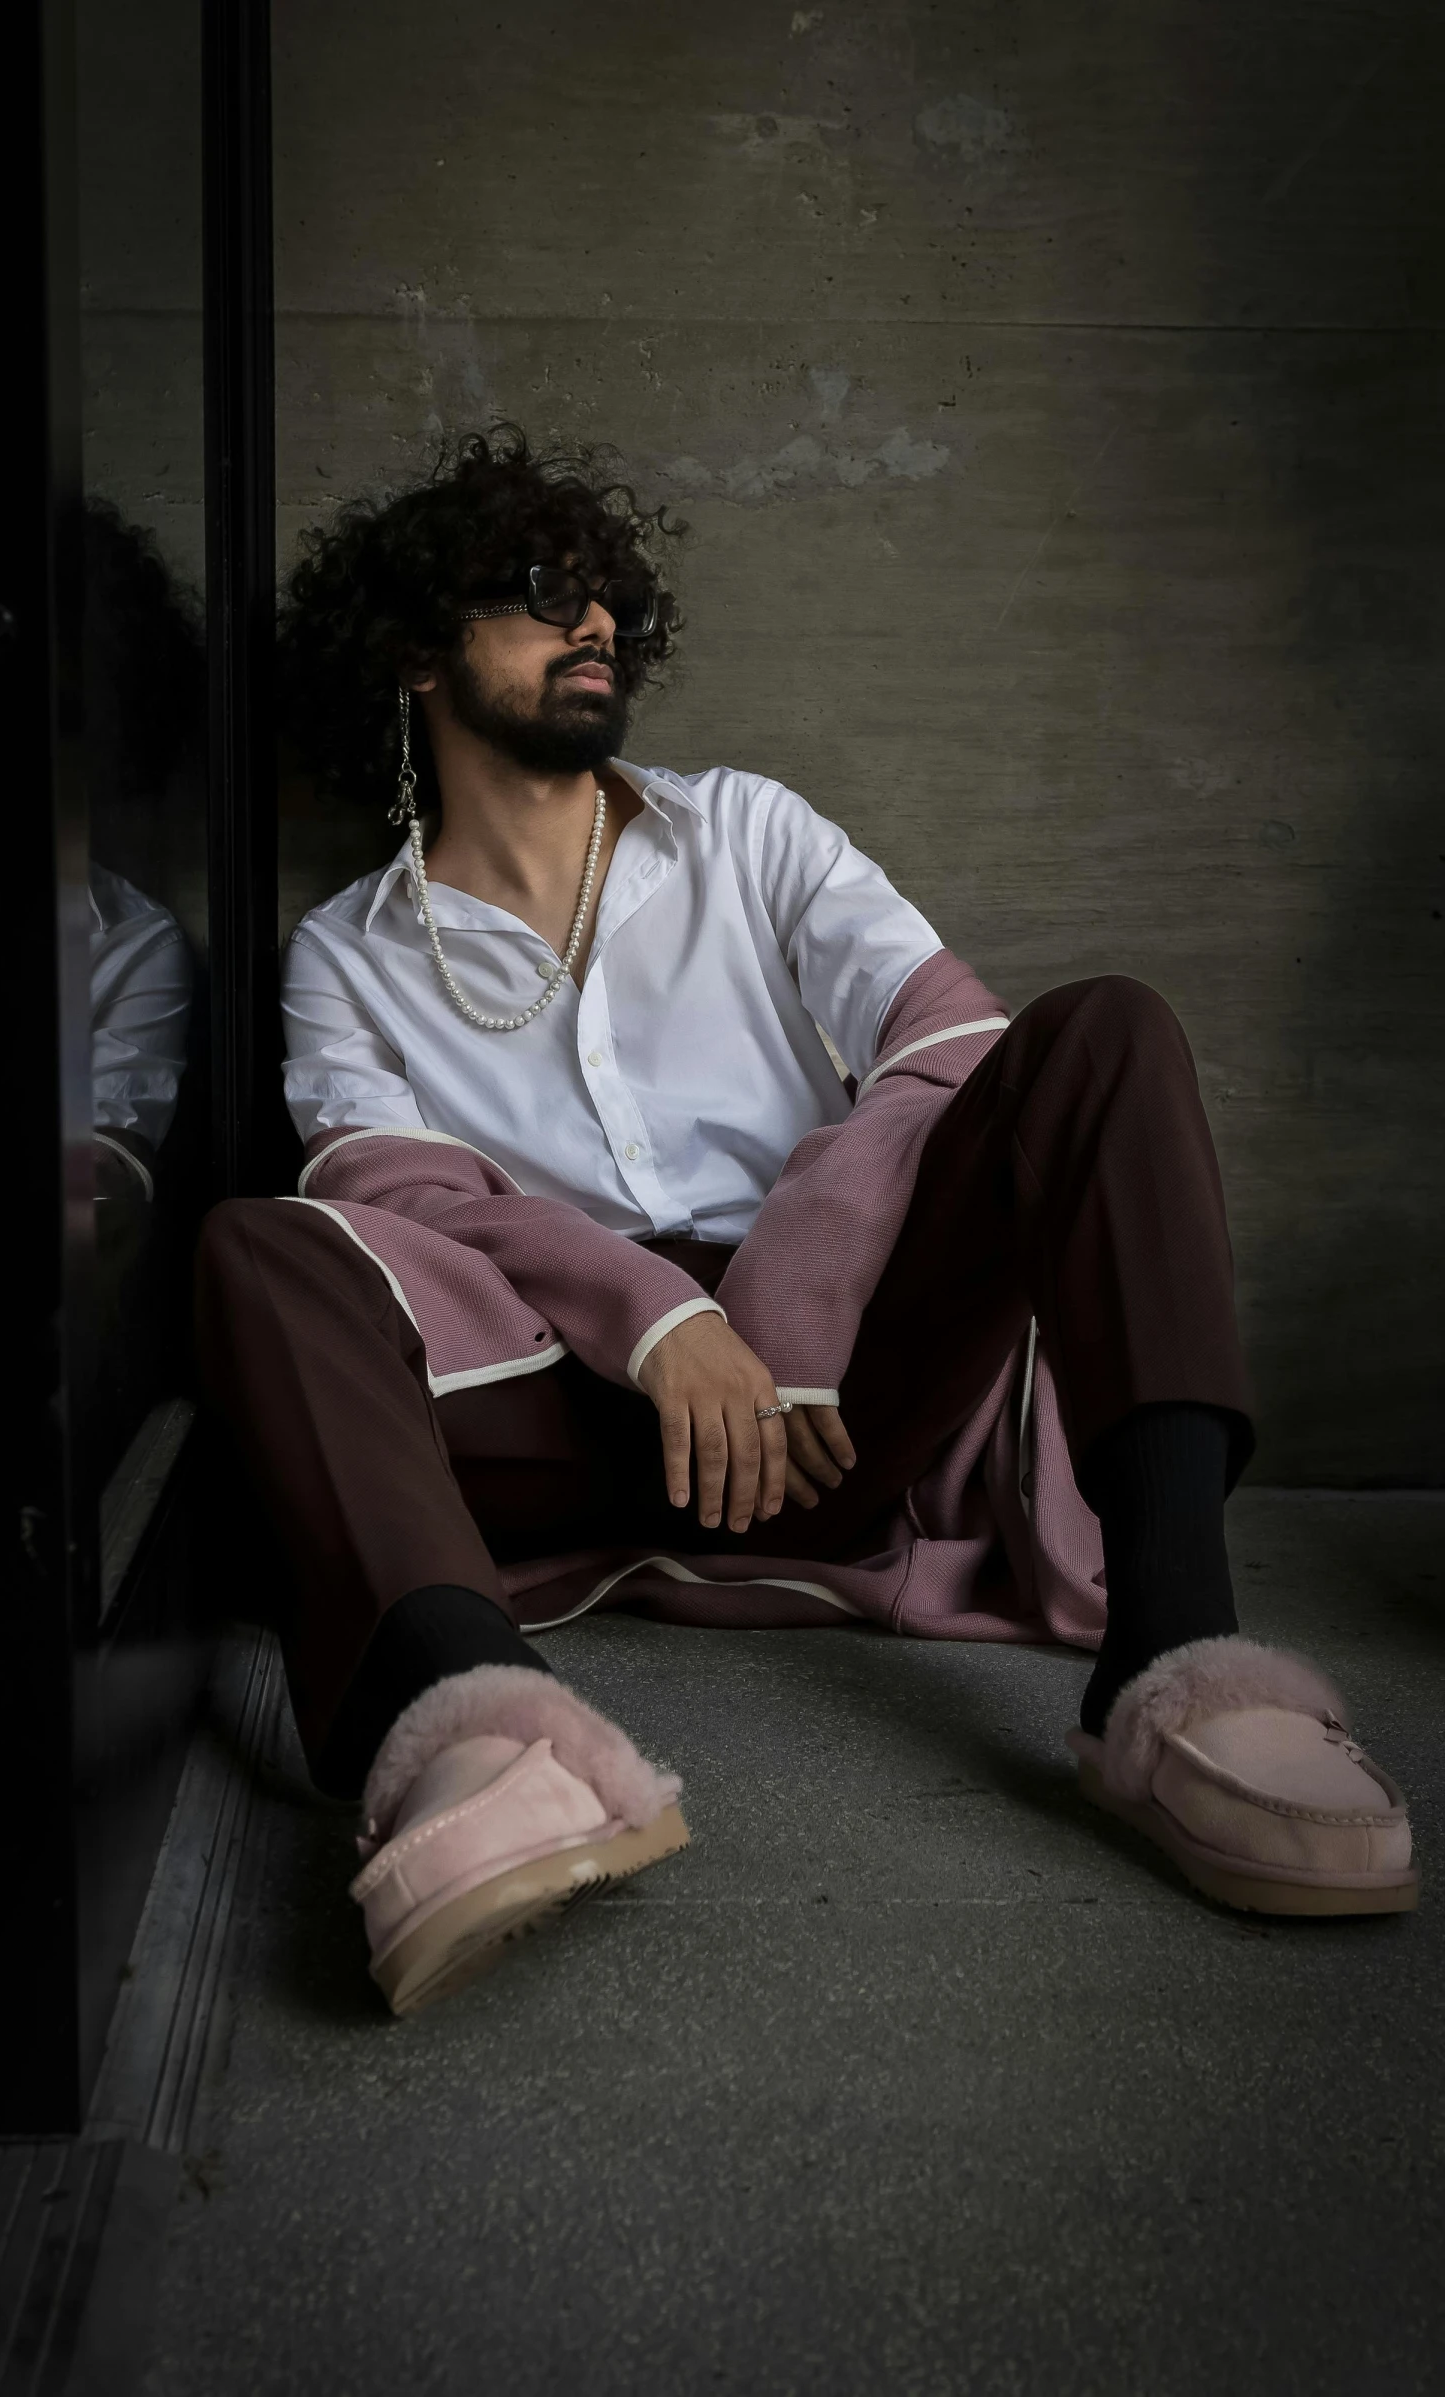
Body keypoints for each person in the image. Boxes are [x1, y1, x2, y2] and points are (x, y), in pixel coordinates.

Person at [196, 429, 1415, 2017]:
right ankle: (478, 1730)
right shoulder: (348, 954)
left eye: (612, 602)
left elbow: (950, 1051)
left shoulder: (751, 833)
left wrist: (790, 1290)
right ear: (418, 655)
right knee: (261, 1241)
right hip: (562, 1421)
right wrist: (658, 1322)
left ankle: (1178, 1673)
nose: (599, 630)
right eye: (543, 596)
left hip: (842, 1408)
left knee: (1104, 1030)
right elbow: (397, 1200)